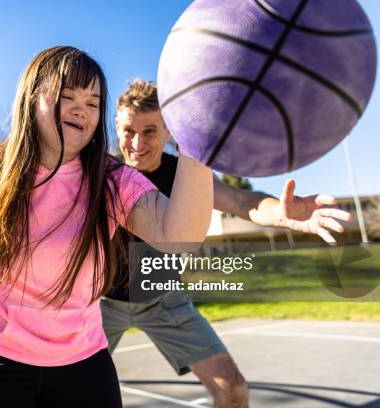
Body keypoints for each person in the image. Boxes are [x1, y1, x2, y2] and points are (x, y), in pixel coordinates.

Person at [0, 48, 213, 408]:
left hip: (84, 363)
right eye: (66, 97)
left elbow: (178, 234)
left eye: (92, 103)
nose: (81, 110)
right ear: (31, 100)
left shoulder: (113, 180)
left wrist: (198, 143)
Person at [102, 79, 353, 408]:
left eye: (149, 131)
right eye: (127, 131)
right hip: (101, 303)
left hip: (164, 299)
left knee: (233, 391)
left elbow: (239, 200)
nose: (136, 143)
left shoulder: (186, 174)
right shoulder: (105, 173)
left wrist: (284, 214)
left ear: (169, 131)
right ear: (117, 127)